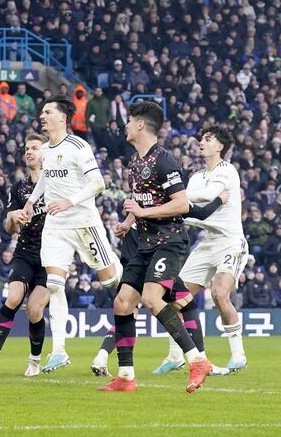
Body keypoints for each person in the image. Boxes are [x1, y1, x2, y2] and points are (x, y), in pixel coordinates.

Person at [100, 101, 211, 393]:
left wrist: (142, 213)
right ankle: (125, 377)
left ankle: (196, 360)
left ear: (140, 124)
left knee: (151, 298)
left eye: (129, 121)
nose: (124, 126)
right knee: (122, 302)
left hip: (169, 241)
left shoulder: (163, 160)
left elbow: (182, 203)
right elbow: (144, 200)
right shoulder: (136, 162)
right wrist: (128, 220)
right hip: (145, 243)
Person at [23, 96, 122, 372]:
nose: (42, 116)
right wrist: (32, 201)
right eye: (42, 111)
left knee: (113, 281)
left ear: (63, 117)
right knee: (54, 284)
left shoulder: (79, 146)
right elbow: (46, 177)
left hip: (83, 222)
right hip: (56, 225)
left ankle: (134, 278)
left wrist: (70, 201)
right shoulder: (46, 150)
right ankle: (59, 351)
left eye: (47, 112)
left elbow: (98, 183)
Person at [154, 127, 248, 375]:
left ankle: (238, 354)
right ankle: (175, 356)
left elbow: (203, 197)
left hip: (230, 241)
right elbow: (189, 209)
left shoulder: (227, 170)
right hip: (206, 244)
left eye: (208, 139)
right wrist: (184, 202)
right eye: (201, 138)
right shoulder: (196, 176)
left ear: (219, 147)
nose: (201, 142)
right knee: (175, 300)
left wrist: (184, 200)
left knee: (219, 294)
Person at [0, 134, 50, 377]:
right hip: (25, 252)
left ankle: (34, 360)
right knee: (12, 299)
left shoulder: (56, 185)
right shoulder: (18, 188)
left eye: (35, 148)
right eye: (27, 148)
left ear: (45, 153)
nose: (29, 152)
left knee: (34, 310)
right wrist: (12, 217)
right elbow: (9, 228)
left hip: (51, 257)